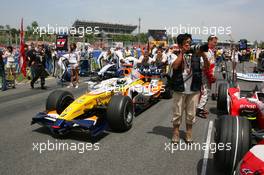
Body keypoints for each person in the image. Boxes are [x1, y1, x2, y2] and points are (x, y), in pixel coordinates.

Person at [170, 33, 208, 143]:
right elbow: (175, 66)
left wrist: (203, 55)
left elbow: (206, 67)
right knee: (177, 113)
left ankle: (188, 133)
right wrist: (182, 52)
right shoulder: (174, 54)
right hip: (180, 88)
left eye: (189, 42)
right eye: (186, 42)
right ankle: (176, 133)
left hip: (194, 88)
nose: (189, 44)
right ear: (180, 44)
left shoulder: (196, 55)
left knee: (191, 113)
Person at [196, 35, 218, 118]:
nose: (215, 44)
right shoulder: (205, 51)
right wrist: (210, 76)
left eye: (216, 43)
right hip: (205, 74)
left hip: (209, 73)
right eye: (214, 42)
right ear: (209, 41)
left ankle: (201, 108)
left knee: (207, 91)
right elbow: (203, 65)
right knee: (205, 91)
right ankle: (199, 109)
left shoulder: (211, 51)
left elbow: (212, 63)